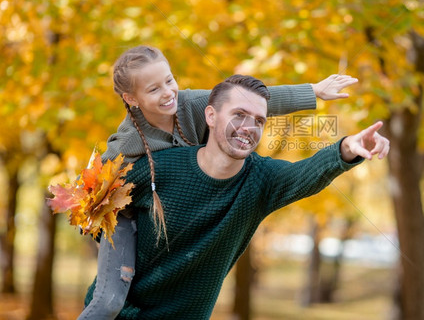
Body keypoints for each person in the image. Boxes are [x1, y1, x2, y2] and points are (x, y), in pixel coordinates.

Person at [78, 45, 359, 319]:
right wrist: (97, 222)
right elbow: (94, 189)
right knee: (109, 303)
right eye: (154, 89)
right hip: (127, 213)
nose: (168, 93)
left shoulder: (193, 105)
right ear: (132, 98)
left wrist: (314, 91)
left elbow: (253, 100)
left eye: (169, 80)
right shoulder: (126, 145)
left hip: (187, 195)